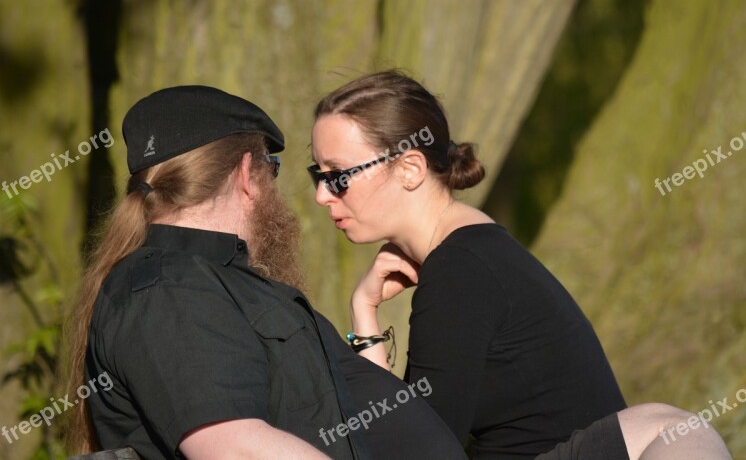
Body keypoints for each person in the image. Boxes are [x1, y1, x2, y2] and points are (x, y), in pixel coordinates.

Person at [309, 70, 733, 459]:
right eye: (318, 174)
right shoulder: (475, 252)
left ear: (409, 168)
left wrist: (364, 314)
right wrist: (363, 310)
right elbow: (406, 432)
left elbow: (413, 451)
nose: (323, 195)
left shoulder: (460, 271)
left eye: (339, 175)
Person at [63, 85, 468, 459]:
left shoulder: (208, 283)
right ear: (246, 173)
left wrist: (363, 312)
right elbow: (236, 449)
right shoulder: (169, 287)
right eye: (270, 168)